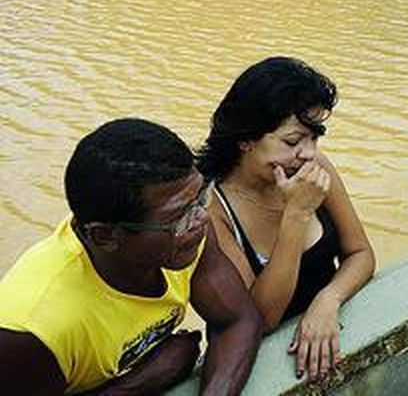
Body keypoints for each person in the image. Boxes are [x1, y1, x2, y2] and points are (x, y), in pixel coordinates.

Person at [0, 119, 263, 395]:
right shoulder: (35, 330)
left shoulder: (185, 235)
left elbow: (238, 321)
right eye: (179, 217)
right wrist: (140, 383)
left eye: (200, 198)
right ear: (105, 236)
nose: (200, 219)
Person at [198, 57, 375, 383]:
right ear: (246, 139)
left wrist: (328, 300)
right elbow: (259, 319)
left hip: (327, 341)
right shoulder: (213, 210)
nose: (308, 153)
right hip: (259, 370)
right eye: (292, 142)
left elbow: (361, 253)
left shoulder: (315, 167)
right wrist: (297, 214)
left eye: (314, 139)